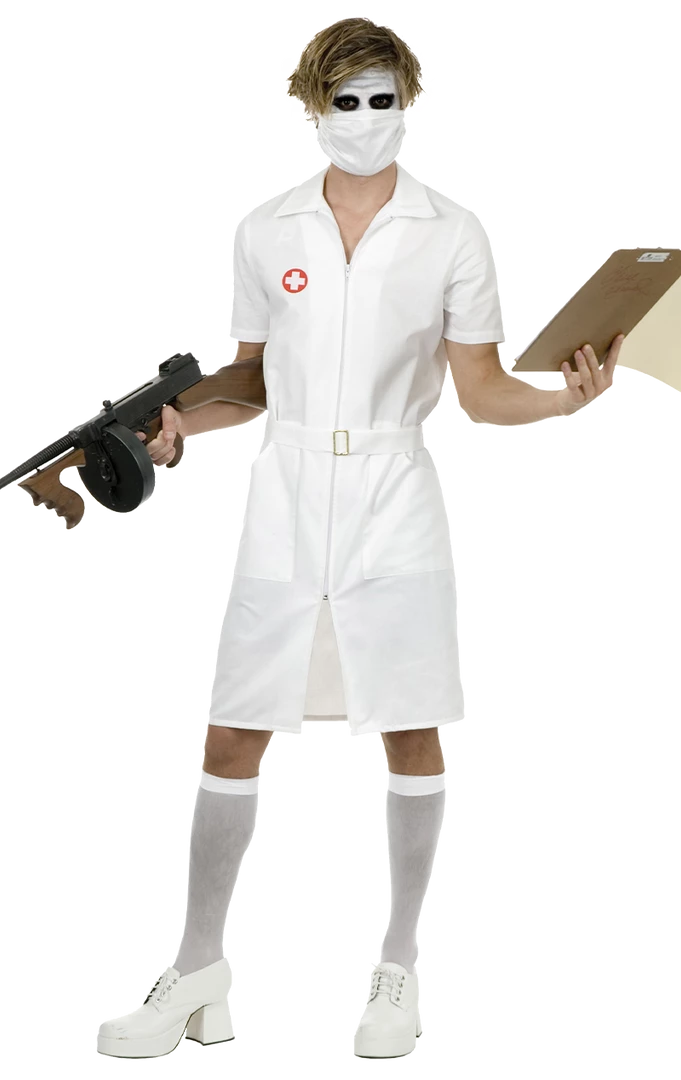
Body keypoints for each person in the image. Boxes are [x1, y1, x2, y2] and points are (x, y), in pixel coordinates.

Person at [95, 17, 621, 1064]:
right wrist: (179, 423)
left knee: (411, 725)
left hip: (393, 491)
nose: (367, 118)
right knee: (234, 726)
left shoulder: (452, 231)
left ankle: (398, 974)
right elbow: (251, 381)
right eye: (347, 101)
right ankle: (195, 976)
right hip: (285, 493)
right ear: (310, 105)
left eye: (384, 99)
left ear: (410, 100)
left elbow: (480, 391)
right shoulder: (266, 228)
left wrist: (566, 398)